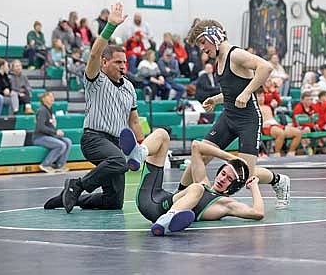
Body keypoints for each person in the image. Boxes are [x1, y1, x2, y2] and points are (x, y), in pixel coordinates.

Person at [45, 2, 144, 213]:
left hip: (117, 142)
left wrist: (141, 147)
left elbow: (134, 120)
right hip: (94, 139)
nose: (123, 66)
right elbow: (93, 54)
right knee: (119, 160)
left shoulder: (129, 87)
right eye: (118, 62)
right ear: (104, 63)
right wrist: (110, 27)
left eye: (124, 62)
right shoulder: (95, 80)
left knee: (113, 202)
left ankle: (70, 198)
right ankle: (77, 186)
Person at [186, 20, 290, 208]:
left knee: (246, 175)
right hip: (229, 116)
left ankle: (278, 180)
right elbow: (232, 90)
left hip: (247, 120)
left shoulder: (236, 54)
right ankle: (179, 194)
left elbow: (266, 67)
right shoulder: (220, 59)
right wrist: (216, 100)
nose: (202, 49)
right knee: (199, 154)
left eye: (203, 42)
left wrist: (248, 92)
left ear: (213, 36)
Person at [118, 127, 264, 236]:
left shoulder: (227, 204)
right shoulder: (204, 182)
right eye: (223, 174)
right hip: (151, 196)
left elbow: (258, 213)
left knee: (197, 188)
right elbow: (196, 146)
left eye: (229, 179)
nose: (222, 179)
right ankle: (140, 153)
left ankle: (168, 219)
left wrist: (254, 186)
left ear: (234, 187)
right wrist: (230, 158)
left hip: (159, 210)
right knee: (162, 134)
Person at [33, 92, 72, 173]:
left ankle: (60, 165)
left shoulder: (49, 110)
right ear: (43, 99)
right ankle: (45, 165)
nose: (52, 98)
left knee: (68, 141)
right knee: (61, 145)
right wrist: (55, 132)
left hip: (50, 136)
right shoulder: (42, 110)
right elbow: (41, 127)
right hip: (40, 137)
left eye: (52, 96)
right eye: (49, 96)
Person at [258, 88, 302, 157]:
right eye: (259, 96)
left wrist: (273, 90)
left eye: (262, 96)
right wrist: (262, 125)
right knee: (280, 133)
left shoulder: (268, 106)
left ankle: (291, 153)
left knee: (298, 132)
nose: (261, 98)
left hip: (275, 125)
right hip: (266, 127)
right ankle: (277, 153)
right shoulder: (255, 108)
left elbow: (278, 101)